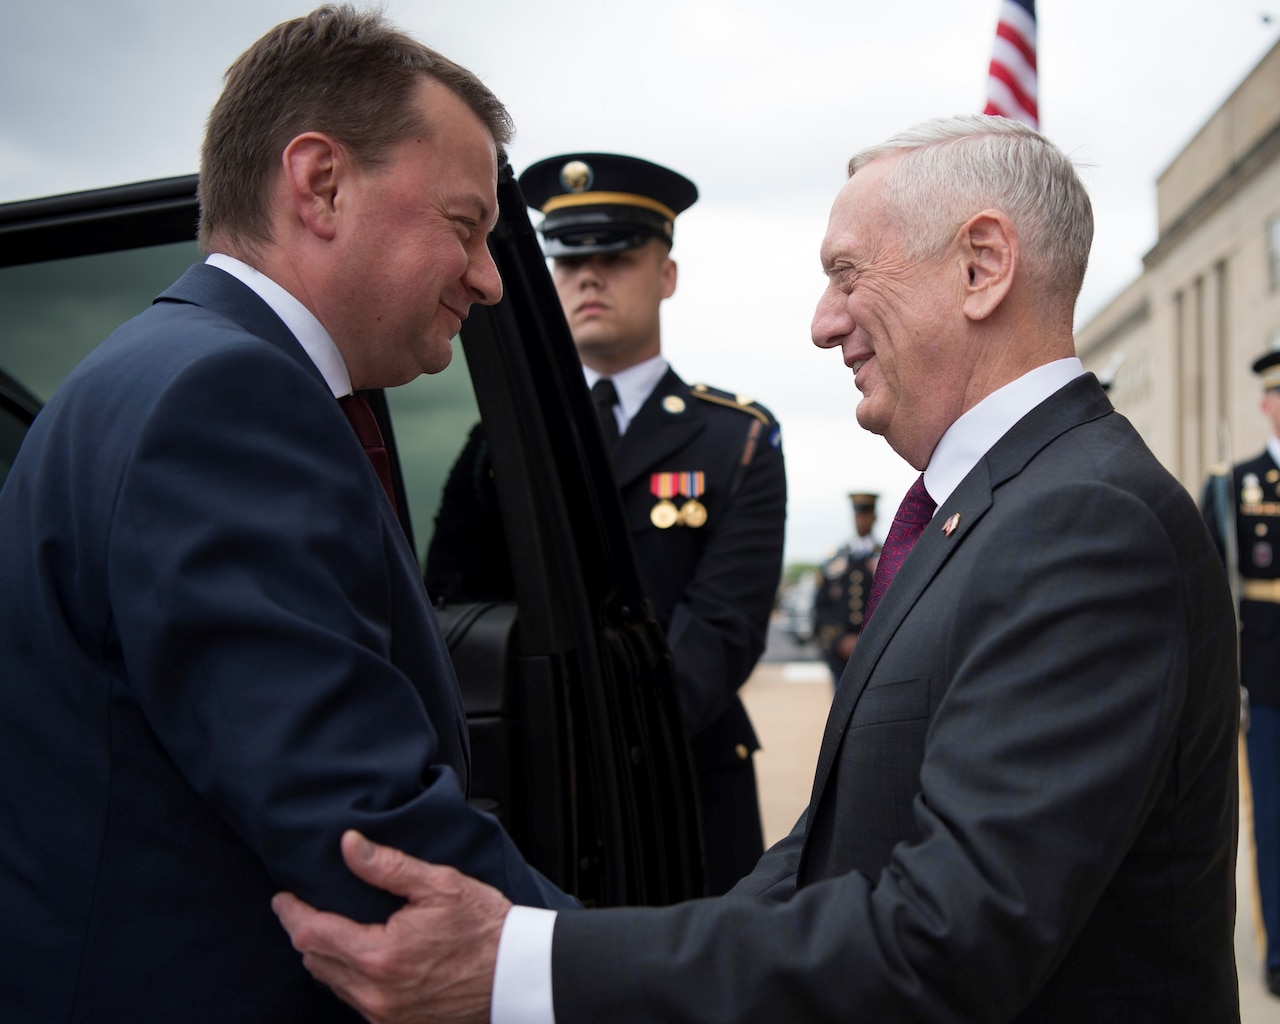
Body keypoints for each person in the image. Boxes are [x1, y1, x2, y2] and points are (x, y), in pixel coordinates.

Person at [274, 114, 1242, 1022]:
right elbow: (831, 855)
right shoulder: (1007, 508)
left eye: (848, 274)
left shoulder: (1081, 523)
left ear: (982, 266)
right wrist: (550, 941)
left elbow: (942, 938)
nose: (822, 324)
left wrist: (519, 970)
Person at [0, 7, 577, 1022]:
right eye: (463, 224)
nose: (488, 278)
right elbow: (366, 841)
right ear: (320, 184)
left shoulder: (161, 372)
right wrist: (638, 973)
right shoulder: (222, 399)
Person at [516, 153, 788, 895]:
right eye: (568, 258)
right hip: (542, 784)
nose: (589, 277)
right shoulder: (508, 433)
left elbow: (723, 625)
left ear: (666, 274)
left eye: (616, 255)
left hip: (688, 783)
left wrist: (601, 732)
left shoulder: (736, 438)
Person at [1202, 349, 1280, 999]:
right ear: (1265, 404)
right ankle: (1279, 947)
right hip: (1266, 672)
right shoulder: (1237, 486)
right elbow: (1211, 592)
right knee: (1273, 815)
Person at [812, 491, 880, 681]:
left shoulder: (887, 558)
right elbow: (821, 605)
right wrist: (841, 638)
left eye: (866, 515)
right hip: (839, 653)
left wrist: (863, 641)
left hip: (874, 652)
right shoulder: (837, 560)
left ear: (874, 517)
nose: (861, 521)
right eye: (858, 515)